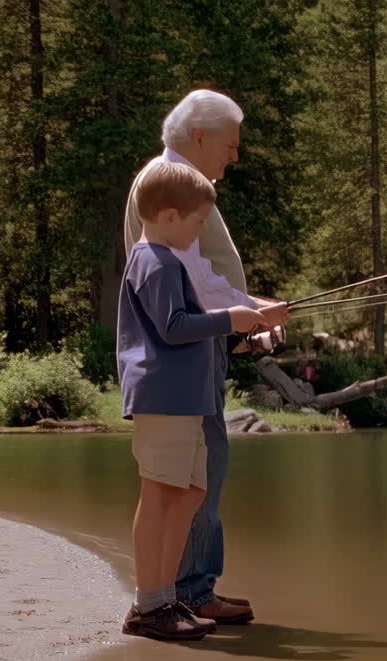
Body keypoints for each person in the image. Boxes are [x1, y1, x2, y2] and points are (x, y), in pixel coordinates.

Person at [122, 89, 288, 624]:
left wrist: (251, 313)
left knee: (198, 481)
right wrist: (242, 316)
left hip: (195, 360)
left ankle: (182, 591)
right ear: (200, 137)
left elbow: (201, 282)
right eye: (230, 144)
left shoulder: (183, 193)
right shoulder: (168, 198)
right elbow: (185, 298)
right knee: (175, 485)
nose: (235, 155)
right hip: (173, 372)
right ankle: (174, 595)